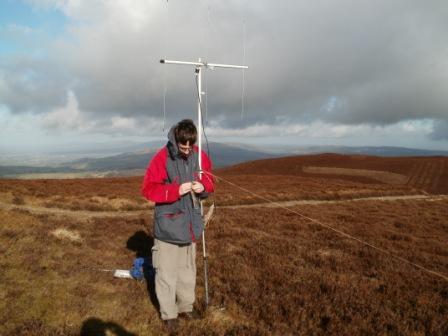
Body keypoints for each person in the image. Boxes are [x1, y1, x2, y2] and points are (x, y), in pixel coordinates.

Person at [141, 119, 214, 334]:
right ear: (176, 140)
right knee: (166, 273)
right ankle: (169, 315)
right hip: (168, 228)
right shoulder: (162, 158)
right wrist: (176, 190)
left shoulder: (199, 155)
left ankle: (186, 308)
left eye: (191, 146)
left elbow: (210, 182)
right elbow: (148, 189)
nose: (188, 150)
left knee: (187, 272)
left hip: (190, 225)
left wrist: (203, 187)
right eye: (184, 146)